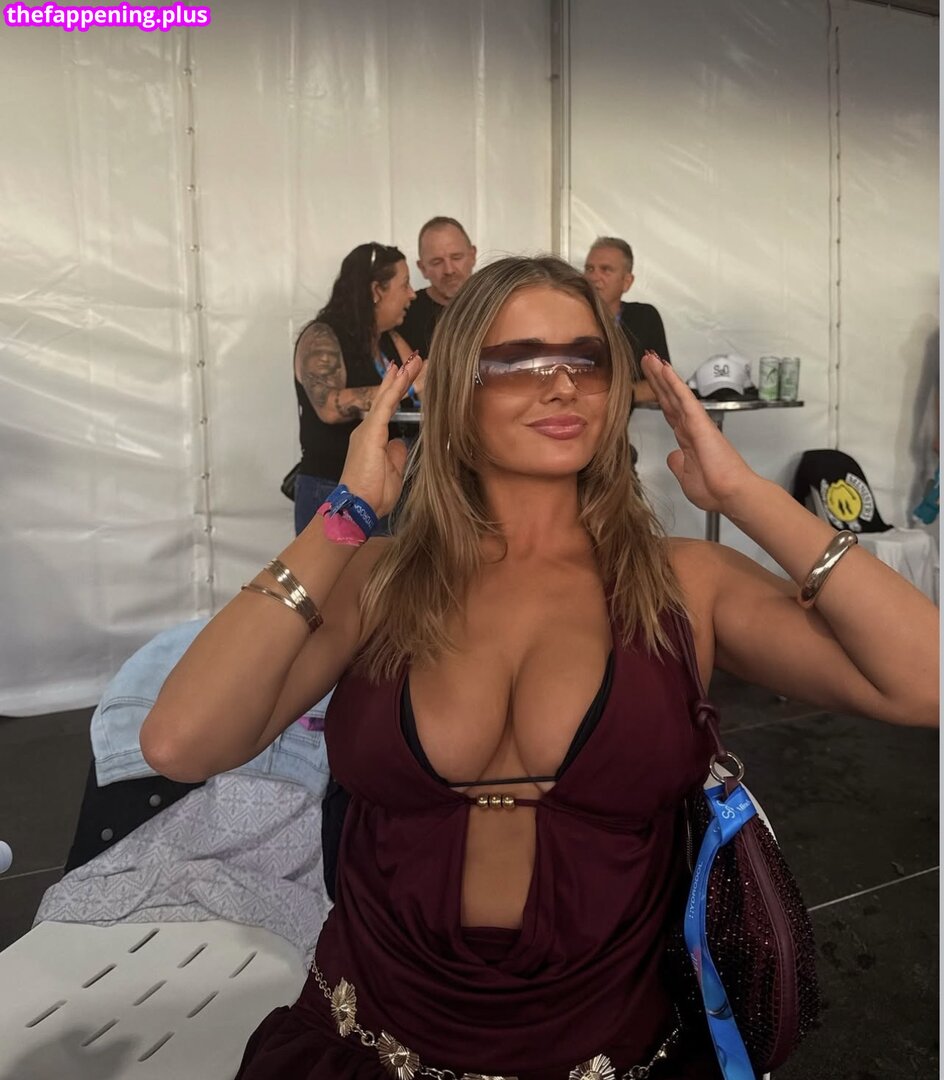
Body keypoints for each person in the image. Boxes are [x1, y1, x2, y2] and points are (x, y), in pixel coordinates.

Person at [141, 255, 937, 1080]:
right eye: (519, 361)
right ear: (457, 388)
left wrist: (744, 494)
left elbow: (927, 681)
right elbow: (181, 742)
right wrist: (345, 516)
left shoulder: (682, 582)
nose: (561, 385)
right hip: (367, 1045)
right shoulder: (378, 579)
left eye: (585, 360)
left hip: (620, 1054)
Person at [292, 241, 421, 534]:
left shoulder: (389, 339)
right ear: (376, 291)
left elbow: (423, 385)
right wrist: (404, 385)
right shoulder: (321, 336)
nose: (412, 294)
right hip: (332, 487)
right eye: (404, 285)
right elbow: (329, 406)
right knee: (332, 567)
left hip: (386, 489)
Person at [584, 236, 669, 404]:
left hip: (617, 419)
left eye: (606, 269)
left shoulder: (644, 318)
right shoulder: (569, 317)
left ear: (627, 282)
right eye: (589, 269)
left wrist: (617, 396)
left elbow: (662, 383)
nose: (594, 277)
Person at [398, 216, 477, 357]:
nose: (449, 270)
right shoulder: (403, 316)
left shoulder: (496, 305)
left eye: (456, 257)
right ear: (422, 268)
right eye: (437, 262)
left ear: (473, 255)